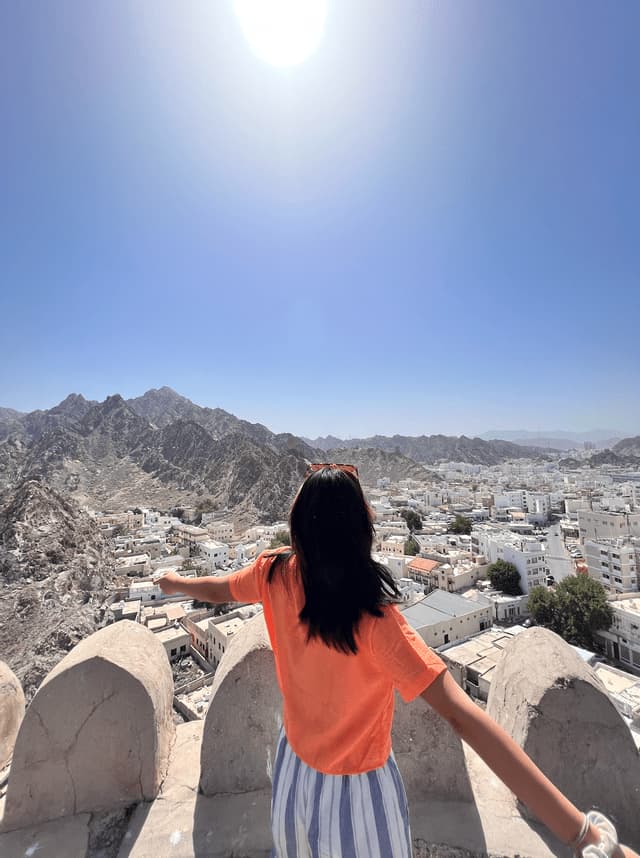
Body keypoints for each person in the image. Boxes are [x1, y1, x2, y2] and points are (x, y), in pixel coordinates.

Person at [158, 464, 638, 858]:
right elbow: (463, 716)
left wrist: (176, 583)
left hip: (292, 774)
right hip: (359, 799)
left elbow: (222, 588)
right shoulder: (375, 623)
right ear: (359, 530)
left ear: (301, 527)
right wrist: (582, 834)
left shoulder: (276, 574)